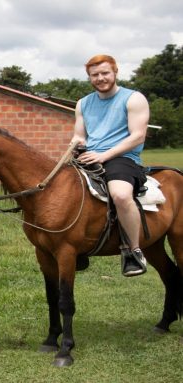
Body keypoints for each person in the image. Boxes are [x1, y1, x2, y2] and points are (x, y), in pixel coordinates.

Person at [72, 54, 150, 277]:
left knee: (121, 195)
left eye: (105, 73)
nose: (100, 78)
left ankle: (133, 251)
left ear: (115, 72)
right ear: (89, 78)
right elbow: (79, 136)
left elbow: (137, 136)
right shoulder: (83, 103)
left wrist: (103, 156)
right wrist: (75, 147)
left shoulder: (133, 99)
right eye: (95, 75)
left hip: (122, 158)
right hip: (90, 156)